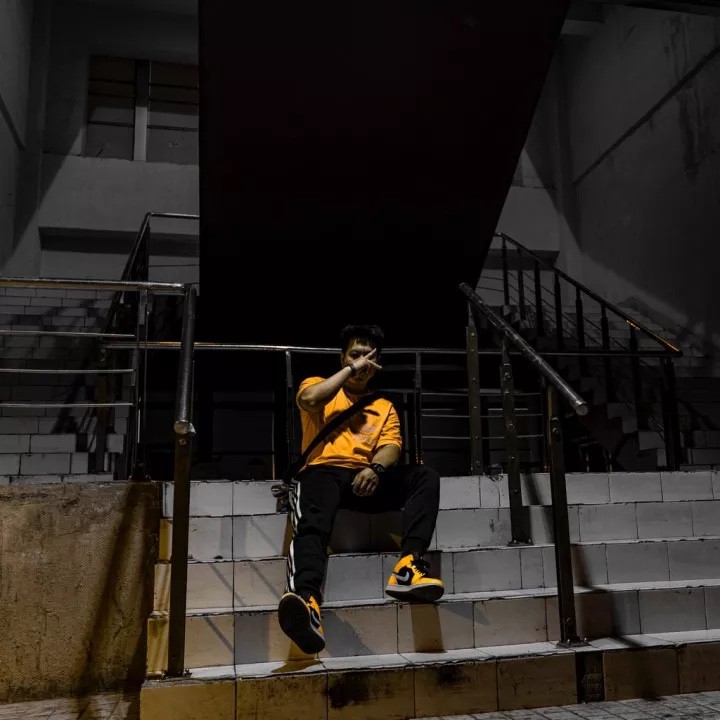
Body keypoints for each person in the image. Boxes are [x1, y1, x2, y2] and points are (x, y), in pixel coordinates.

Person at [277, 323, 444, 655]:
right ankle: (307, 601)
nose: (363, 362)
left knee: (425, 477)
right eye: (355, 355)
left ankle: (408, 567)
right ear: (343, 358)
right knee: (312, 523)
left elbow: (392, 446)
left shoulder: (383, 406)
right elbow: (309, 401)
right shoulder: (318, 385)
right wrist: (351, 370)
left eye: (369, 357)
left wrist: (375, 468)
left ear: (377, 363)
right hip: (323, 472)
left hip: (363, 478)